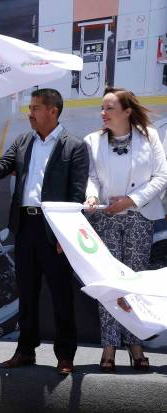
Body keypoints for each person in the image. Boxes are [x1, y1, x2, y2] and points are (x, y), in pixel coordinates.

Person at [0, 88, 89, 375]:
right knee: (26, 293)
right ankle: (25, 351)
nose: (30, 114)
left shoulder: (74, 146)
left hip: (54, 229)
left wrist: (66, 234)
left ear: (53, 111)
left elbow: (77, 196)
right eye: (30, 108)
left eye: (35, 108)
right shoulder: (23, 141)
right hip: (25, 226)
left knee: (62, 295)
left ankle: (65, 356)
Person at [84, 87, 167, 372]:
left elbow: (161, 177)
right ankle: (109, 345)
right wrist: (91, 196)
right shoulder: (93, 140)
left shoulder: (150, 136)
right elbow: (92, 177)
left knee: (133, 283)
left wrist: (131, 200)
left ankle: (134, 344)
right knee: (109, 283)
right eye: (102, 108)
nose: (103, 113)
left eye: (109, 108)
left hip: (139, 217)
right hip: (106, 218)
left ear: (127, 111)